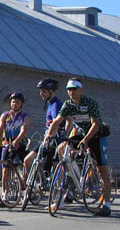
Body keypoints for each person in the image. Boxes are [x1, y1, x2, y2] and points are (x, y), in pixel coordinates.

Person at [45, 78, 112, 217]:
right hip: (81, 134)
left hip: (97, 135)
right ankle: (71, 177)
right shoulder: (67, 105)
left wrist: (85, 140)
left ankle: (106, 205)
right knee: (62, 148)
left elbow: (95, 124)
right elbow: (56, 121)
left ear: (81, 89)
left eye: (74, 89)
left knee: (102, 171)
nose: (71, 91)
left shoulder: (90, 103)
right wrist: (49, 136)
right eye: (69, 89)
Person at [0, 91, 30, 205]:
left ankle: (26, 185)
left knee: (26, 163)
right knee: (5, 169)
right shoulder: (5, 115)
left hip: (20, 143)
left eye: (17, 102)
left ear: (21, 104)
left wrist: (17, 141)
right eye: (13, 101)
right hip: (7, 143)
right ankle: (4, 195)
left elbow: (24, 130)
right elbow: (0, 129)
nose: (15, 104)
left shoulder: (25, 116)